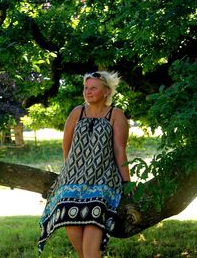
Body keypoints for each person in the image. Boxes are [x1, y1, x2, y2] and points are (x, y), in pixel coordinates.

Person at [38, 71, 130, 258]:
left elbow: (120, 151)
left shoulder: (116, 114)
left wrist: (127, 182)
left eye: (93, 88)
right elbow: (67, 148)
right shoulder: (77, 112)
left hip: (103, 178)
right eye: (86, 88)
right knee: (71, 222)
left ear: (106, 91)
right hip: (73, 178)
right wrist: (70, 176)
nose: (88, 92)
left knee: (93, 220)